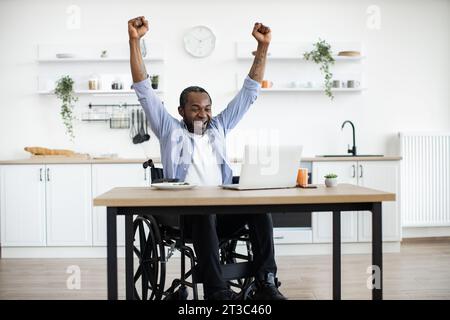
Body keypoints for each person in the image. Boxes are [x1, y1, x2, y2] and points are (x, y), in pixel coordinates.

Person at [128, 16, 286, 301]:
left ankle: (266, 282)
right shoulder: (169, 129)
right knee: (203, 210)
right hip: (185, 218)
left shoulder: (219, 128)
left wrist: (263, 47)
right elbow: (143, 89)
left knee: (260, 209)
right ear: (181, 110)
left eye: (207, 108)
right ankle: (217, 292)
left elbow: (249, 92)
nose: (203, 114)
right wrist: (135, 41)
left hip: (223, 213)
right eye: (195, 109)